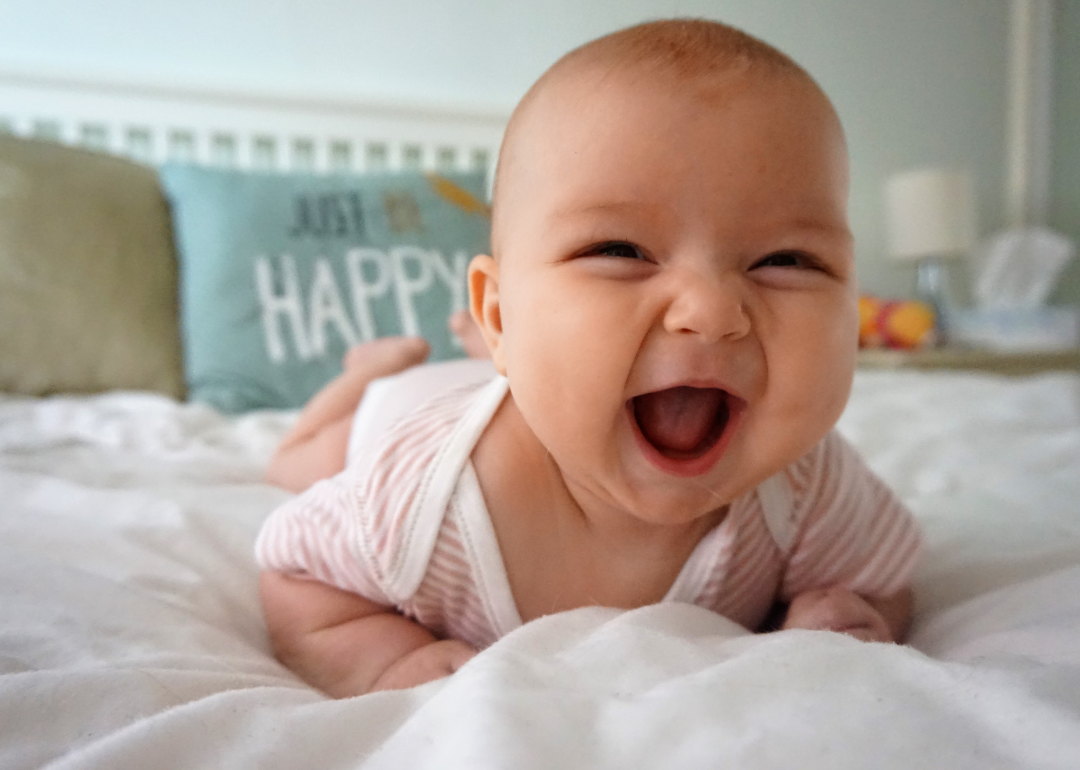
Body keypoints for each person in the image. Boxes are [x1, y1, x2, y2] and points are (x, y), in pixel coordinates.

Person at [255, 19, 923, 698]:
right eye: (620, 252)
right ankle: (372, 370)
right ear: (501, 313)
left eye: (786, 260)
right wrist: (386, 663)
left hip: (526, 369)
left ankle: (479, 351)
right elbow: (293, 576)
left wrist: (843, 618)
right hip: (405, 409)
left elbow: (884, 581)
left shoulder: (808, 488)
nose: (712, 312)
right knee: (300, 458)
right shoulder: (413, 499)